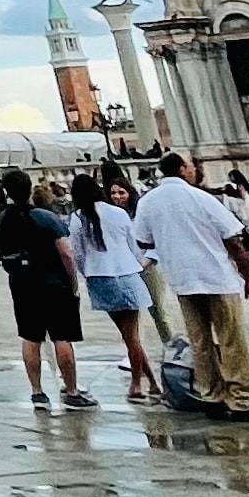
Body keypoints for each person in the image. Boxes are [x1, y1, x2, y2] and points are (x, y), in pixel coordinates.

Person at [137, 152, 249, 415]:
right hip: (217, 279)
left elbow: (144, 240)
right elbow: (234, 242)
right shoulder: (201, 198)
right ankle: (240, 400)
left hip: (183, 280)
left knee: (199, 342)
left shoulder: (148, 202)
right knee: (231, 340)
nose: (193, 170)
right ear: (181, 169)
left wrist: (171, 238)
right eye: (190, 166)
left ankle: (211, 394)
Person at [0, 171, 95, 409]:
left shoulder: (3, 219)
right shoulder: (46, 217)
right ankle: (71, 390)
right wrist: (73, 281)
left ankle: (37, 392)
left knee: (30, 337)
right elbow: (66, 252)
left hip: (22, 284)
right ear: (29, 190)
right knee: (61, 336)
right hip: (53, 283)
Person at [68, 169, 159, 399]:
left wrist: (84, 274)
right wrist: (142, 262)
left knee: (128, 336)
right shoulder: (118, 213)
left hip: (100, 277)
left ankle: (143, 383)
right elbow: (133, 245)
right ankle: (145, 382)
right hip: (127, 272)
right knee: (133, 335)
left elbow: (77, 253)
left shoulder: (78, 218)